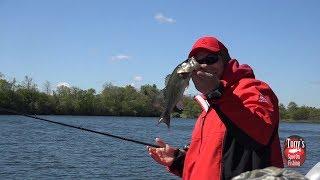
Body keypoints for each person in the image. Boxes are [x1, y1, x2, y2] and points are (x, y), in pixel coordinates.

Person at [147, 36, 284, 180]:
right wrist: (178, 161)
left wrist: (216, 92)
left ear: (225, 62)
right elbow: (213, 164)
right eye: (198, 61)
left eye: (211, 59)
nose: (204, 65)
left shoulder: (251, 89)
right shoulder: (209, 106)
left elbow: (260, 134)